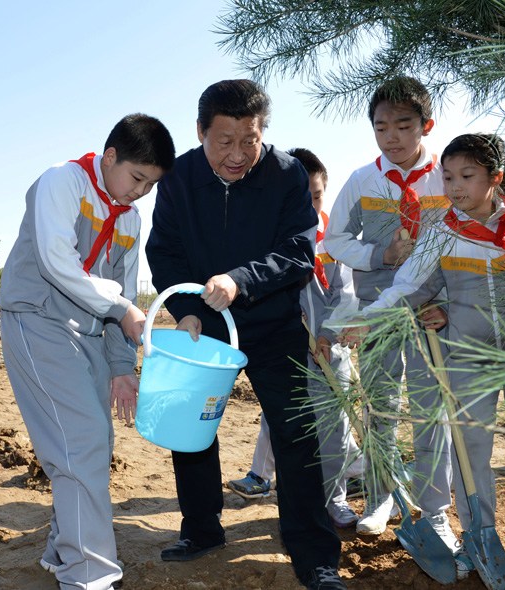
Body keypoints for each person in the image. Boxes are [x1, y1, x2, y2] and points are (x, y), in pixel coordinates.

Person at [340, 132, 505, 571]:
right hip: (466, 358)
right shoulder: (441, 233)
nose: (455, 187)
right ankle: (482, 534)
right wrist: (368, 317)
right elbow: (409, 287)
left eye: (467, 176)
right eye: (448, 177)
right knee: (469, 450)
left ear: (495, 179)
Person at [145, 80, 345, 590]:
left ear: (263, 133)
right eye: (224, 141)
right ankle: (202, 528)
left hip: (274, 324)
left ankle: (313, 552)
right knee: (194, 432)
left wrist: (241, 280)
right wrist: (187, 308)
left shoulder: (286, 174)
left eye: (249, 140)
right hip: (202, 327)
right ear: (200, 133)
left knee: (295, 435)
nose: (237, 154)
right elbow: (163, 250)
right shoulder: (181, 177)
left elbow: (300, 250)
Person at [0, 114, 175, 590]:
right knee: (81, 441)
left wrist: (122, 367)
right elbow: (59, 264)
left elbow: (125, 298)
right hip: (38, 320)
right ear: (110, 156)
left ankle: (62, 548)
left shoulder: (130, 219)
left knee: (92, 443)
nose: (139, 193)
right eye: (137, 178)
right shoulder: (63, 182)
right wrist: (119, 310)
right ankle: (89, 576)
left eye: (151, 185)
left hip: (89, 333)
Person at [323, 77, 456, 547]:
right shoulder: (364, 179)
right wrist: (381, 255)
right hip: (375, 315)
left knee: (430, 408)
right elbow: (333, 240)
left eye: (403, 126)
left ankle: (435, 510)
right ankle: (381, 497)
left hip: (433, 313)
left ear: (427, 125)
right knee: (381, 405)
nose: (392, 138)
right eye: (381, 128)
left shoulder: (448, 177)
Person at [227, 147, 364, 528]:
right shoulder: (270, 242)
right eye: (299, 195)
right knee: (287, 428)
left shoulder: (335, 242)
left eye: (316, 195)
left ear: (325, 191)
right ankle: (292, 502)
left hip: (327, 352)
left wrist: (328, 332)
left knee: (334, 428)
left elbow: (347, 293)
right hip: (285, 351)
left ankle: (335, 499)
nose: (308, 203)